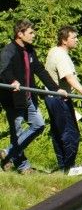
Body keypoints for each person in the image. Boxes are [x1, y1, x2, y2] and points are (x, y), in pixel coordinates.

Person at [0, 20, 63, 173]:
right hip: (13, 99)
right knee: (17, 132)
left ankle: (7, 153)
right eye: (30, 33)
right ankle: (23, 166)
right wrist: (12, 81)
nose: (34, 35)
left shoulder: (29, 50)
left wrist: (56, 89)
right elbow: (3, 70)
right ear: (19, 34)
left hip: (28, 97)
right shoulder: (9, 50)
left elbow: (40, 71)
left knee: (38, 125)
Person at [45, 26, 82, 174]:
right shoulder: (61, 55)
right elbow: (69, 78)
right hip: (60, 99)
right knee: (70, 134)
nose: (77, 40)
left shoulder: (54, 51)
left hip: (52, 98)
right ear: (64, 40)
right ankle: (69, 168)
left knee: (59, 133)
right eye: (73, 38)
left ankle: (64, 168)